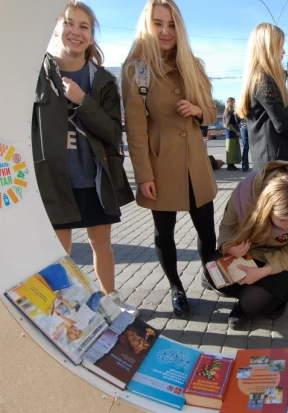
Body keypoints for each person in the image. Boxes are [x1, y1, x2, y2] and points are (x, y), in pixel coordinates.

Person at [31, 1, 134, 304]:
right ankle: (63, 306)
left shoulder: (101, 80)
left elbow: (114, 132)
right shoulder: (35, 73)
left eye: (84, 26)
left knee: (100, 243)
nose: (75, 31)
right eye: (68, 23)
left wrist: (83, 101)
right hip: (53, 178)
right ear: (55, 28)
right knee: (59, 251)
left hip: (93, 177)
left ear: (91, 35)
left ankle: (110, 300)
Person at [122, 0, 218, 318]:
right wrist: (144, 176)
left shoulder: (193, 64)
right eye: (158, 23)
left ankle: (212, 276)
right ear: (147, 26)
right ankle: (176, 286)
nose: (165, 31)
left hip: (196, 166)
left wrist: (198, 110)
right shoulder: (136, 70)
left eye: (172, 24)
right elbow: (135, 130)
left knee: (207, 229)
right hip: (161, 167)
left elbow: (212, 112)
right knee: (165, 232)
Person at [207, 161, 288, 329]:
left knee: (253, 304)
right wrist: (229, 247)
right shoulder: (243, 194)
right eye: (284, 220)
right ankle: (260, 294)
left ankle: (260, 300)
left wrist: (261, 273)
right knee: (212, 271)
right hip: (249, 253)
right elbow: (227, 227)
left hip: (277, 263)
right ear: (266, 209)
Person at [237, 23, 288, 171]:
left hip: (268, 159)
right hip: (274, 162)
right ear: (269, 49)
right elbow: (281, 123)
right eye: (280, 46)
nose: (284, 51)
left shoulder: (257, 78)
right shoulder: (264, 80)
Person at [223, 97, 242, 171]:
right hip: (230, 134)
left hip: (233, 134)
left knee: (233, 150)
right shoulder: (228, 112)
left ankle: (232, 165)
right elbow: (228, 125)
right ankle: (230, 166)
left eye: (233, 101)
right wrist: (236, 131)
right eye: (231, 101)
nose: (233, 103)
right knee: (230, 150)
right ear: (228, 102)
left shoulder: (232, 111)